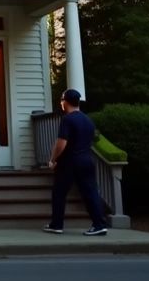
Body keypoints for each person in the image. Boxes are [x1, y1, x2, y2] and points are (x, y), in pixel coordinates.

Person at [44, 89, 109, 236]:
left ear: (65, 102)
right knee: (91, 192)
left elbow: (61, 143)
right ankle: (99, 224)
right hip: (86, 160)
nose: (61, 103)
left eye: (62, 100)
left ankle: (56, 224)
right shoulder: (88, 120)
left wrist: (53, 159)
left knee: (59, 192)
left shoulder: (68, 119)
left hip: (70, 162)